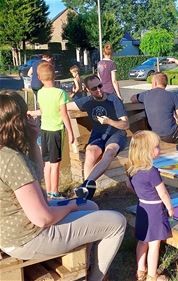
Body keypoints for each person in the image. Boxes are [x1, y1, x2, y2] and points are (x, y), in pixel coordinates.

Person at [0, 91, 126, 281]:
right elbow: (43, 218)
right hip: (27, 238)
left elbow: (38, 179)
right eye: (26, 115)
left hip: (12, 231)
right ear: (17, 122)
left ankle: (86, 265)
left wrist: (34, 142)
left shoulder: (6, 151)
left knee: (91, 206)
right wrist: (71, 205)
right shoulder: (11, 159)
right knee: (117, 222)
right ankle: (96, 278)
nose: (29, 118)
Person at [66, 74, 129, 198]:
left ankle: (85, 186)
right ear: (88, 90)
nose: (99, 89)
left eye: (100, 85)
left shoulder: (114, 99)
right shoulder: (87, 101)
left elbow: (126, 124)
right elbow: (63, 106)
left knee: (110, 151)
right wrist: (35, 112)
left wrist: (109, 121)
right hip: (99, 134)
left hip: (116, 133)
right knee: (90, 151)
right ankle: (88, 192)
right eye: (94, 88)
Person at [127, 130, 173, 281]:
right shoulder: (152, 171)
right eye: (157, 146)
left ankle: (140, 271)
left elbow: (130, 186)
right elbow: (163, 193)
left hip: (142, 207)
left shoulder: (132, 170)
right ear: (147, 151)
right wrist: (170, 208)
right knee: (154, 244)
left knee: (142, 241)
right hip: (154, 210)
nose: (160, 148)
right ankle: (152, 276)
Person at [27, 62, 74, 199]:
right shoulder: (60, 93)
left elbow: (42, 111)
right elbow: (64, 115)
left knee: (47, 164)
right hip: (56, 131)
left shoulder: (40, 93)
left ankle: (48, 192)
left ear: (39, 77)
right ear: (54, 75)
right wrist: (71, 133)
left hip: (44, 131)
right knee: (55, 165)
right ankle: (54, 192)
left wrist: (32, 112)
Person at [130, 72, 178, 154]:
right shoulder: (172, 96)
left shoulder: (146, 94)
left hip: (154, 132)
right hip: (170, 132)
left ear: (155, 83)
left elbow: (132, 98)